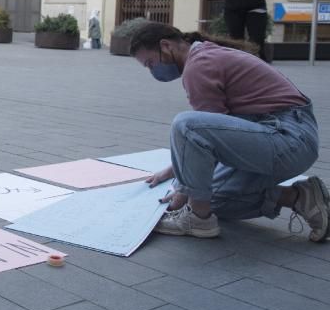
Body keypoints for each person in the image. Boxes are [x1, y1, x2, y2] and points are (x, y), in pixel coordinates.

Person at [129, 22, 327, 242]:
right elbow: (213, 136)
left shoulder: (199, 66)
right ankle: (301, 197)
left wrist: (181, 194)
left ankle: (197, 219)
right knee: (212, 200)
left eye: (150, 63)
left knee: (185, 125)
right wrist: (174, 172)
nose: (152, 71)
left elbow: (200, 135)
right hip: (283, 136)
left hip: (289, 139)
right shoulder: (203, 56)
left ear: (165, 46)